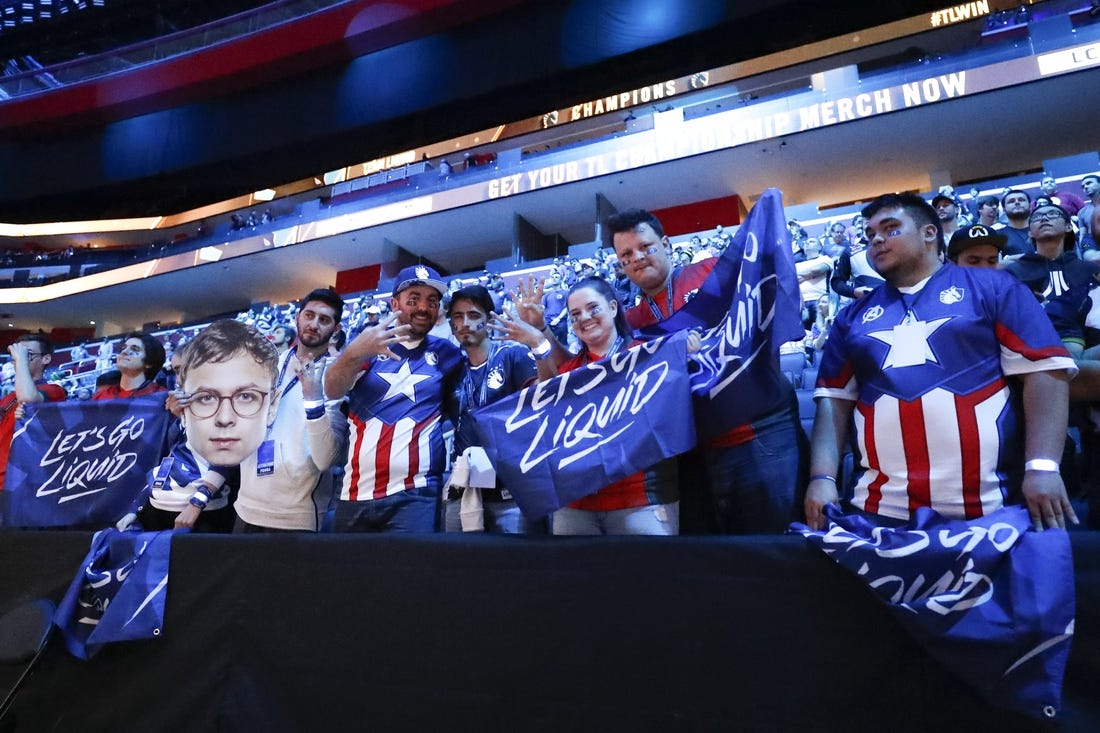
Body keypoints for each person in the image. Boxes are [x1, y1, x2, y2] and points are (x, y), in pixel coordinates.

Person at [805, 192, 1078, 533]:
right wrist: (822, 477)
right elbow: (833, 401)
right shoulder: (851, 316)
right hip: (878, 511)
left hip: (991, 506)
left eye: (890, 228)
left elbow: (1045, 370)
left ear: (929, 233)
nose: (876, 239)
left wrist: (1042, 467)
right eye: (869, 233)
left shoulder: (993, 286)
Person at [607, 208, 806, 534]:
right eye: (626, 255)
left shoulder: (712, 271)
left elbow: (766, 305)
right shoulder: (632, 322)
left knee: (777, 543)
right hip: (696, 451)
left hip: (759, 430)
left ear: (667, 244)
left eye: (645, 247)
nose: (637, 258)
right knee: (720, 556)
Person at [501, 277, 682, 535]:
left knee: (649, 576)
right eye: (575, 315)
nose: (584, 318)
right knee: (576, 577)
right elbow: (545, 409)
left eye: (593, 308)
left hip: (639, 499)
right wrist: (538, 337)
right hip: (577, 505)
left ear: (613, 307)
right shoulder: (569, 371)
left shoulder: (651, 356)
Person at [324, 265, 463, 533]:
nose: (423, 307)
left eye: (432, 302)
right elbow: (333, 390)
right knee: (348, 574)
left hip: (417, 493)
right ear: (394, 303)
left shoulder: (447, 354)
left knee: (410, 574)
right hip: (355, 492)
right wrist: (354, 353)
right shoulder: (365, 344)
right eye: (413, 300)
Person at [233, 288, 349, 533]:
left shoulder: (337, 376)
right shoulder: (266, 365)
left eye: (324, 320)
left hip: (296, 515)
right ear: (297, 317)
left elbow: (326, 459)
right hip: (245, 504)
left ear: (336, 329)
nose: (314, 324)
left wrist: (314, 398)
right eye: (309, 315)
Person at [443, 285, 540, 533]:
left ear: (489, 320)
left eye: (474, 315)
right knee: (457, 565)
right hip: (463, 488)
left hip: (511, 490)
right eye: (457, 316)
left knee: (513, 567)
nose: (465, 323)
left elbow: (542, 402)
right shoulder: (452, 372)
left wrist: (539, 341)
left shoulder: (514, 355)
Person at [0, 334, 66, 491]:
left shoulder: (54, 390)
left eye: (27, 354)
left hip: (18, 481)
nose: (18, 358)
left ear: (46, 359)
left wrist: (21, 360)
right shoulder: (8, 397)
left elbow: (28, 398)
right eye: (17, 354)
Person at [1003, 203, 1097, 304]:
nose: (1044, 219)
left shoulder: (1090, 270)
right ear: (1030, 232)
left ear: (1069, 226)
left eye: (1053, 214)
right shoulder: (1012, 273)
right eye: (1037, 217)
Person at [92, 333, 167, 400]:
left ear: (149, 363)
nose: (124, 352)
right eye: (123, 348)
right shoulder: (100, 397)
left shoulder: (163, 399)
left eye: (135, 349)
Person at [995, 189, 1035, 258]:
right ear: (1004, 209)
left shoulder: (1044, 230)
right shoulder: (996, 236)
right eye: (1011, 201)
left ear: (1030, 205)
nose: (1017, 202)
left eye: (1021, 200)